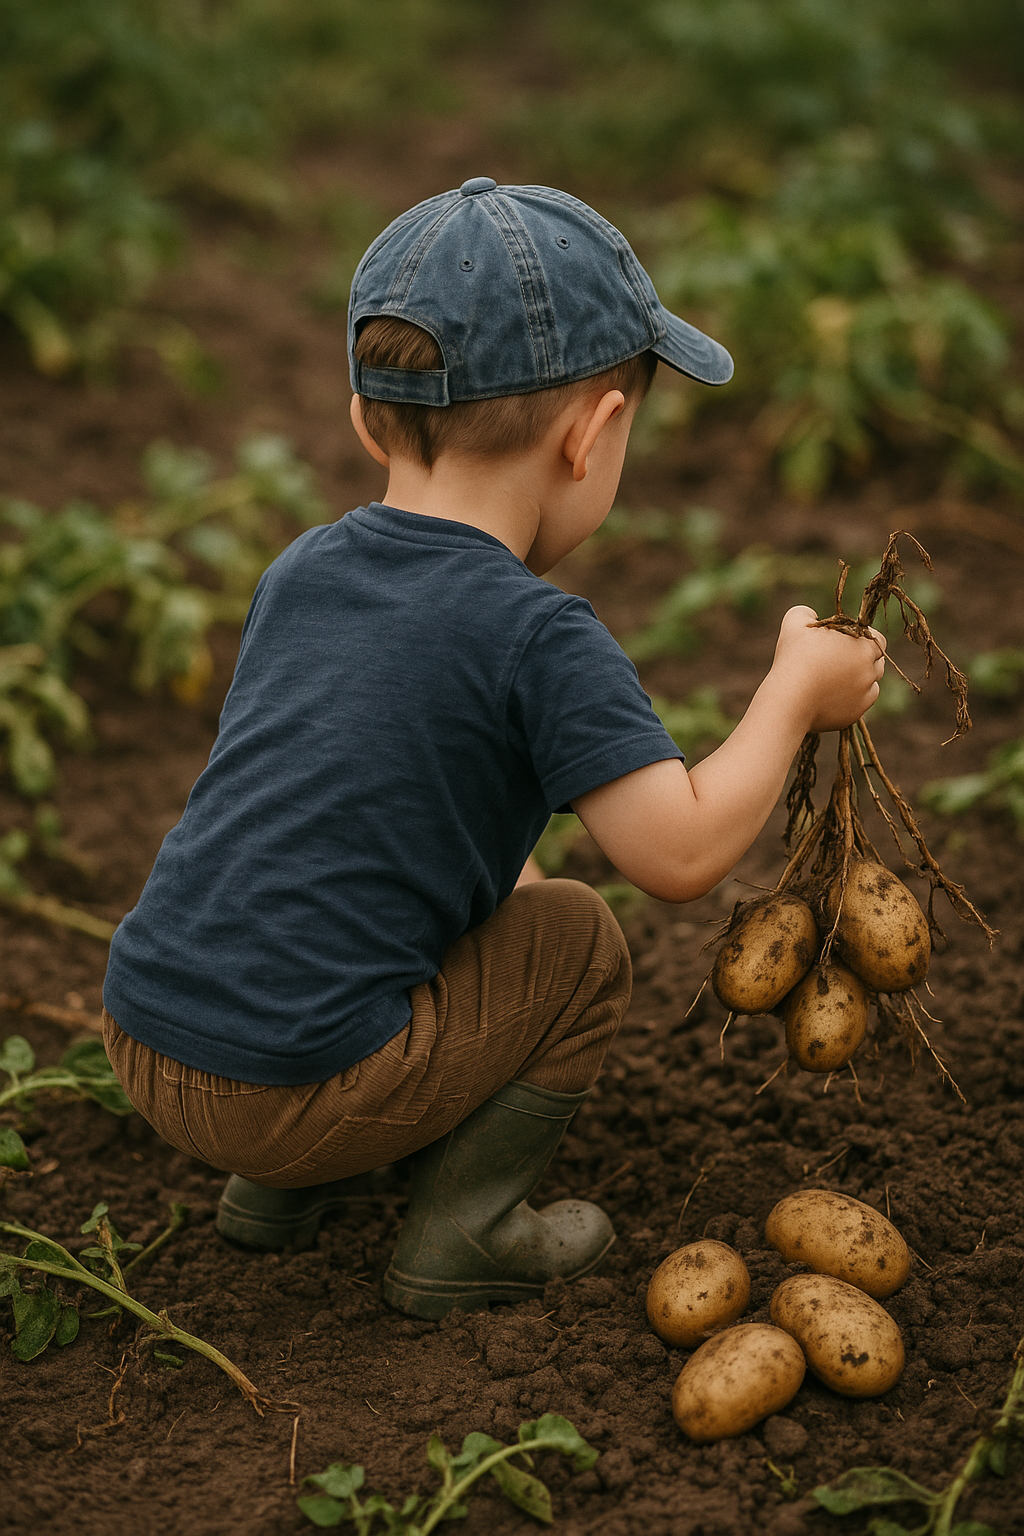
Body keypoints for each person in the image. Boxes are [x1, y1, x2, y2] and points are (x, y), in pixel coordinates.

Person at [101, 179, 885, 1320]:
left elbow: (325, 799)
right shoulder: (535, 634)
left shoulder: (303, 570)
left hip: (150, 1033)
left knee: (427, 884)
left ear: (368, 418)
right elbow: (677, 854)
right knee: (571, 938)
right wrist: (791, 693)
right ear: (594, 437)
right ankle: (461, 1235)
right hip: (294, 1087)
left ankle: (274, 1194)